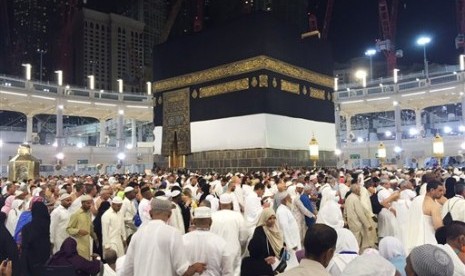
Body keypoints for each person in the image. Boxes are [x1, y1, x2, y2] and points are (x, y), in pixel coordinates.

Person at [120, 198, 206, 276]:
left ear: (150, 213)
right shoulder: (172, 233)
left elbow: (126, 271)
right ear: (169, 215)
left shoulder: (137, 235)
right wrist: (195, 267)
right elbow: (184, 271)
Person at [183, 206, 233, 276]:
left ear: (193, 221)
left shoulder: (183, 239)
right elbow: (228, 271)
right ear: (211, 222)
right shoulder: (220, 242)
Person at [211, 193, 247, 276]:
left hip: (216, 252)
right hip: (232, 251)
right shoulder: (238, 216)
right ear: (231, 204)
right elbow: (244, 237)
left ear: (219, 204)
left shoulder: (213, 216)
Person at [241, 208, 283, 276]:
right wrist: (264, 259)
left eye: (274, 218)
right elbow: (254, 251)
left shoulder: (276, 228)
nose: (272, 221)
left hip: (279, 263)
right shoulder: (260, 231)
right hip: (266, 266)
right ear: (264, 219)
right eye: (269, 218)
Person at [406, 179, 444, 253]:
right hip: (428, 241)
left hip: (412, 239)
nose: (442, 193)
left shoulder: (416, 199)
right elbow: (439, 228)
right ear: (432, 190)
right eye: (440, 190)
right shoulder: (434, 206)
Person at [20, 202, 51, 275]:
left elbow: (25, 247)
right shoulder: (47, 225)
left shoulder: (27, 228)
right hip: (45, 258)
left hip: (31, 261)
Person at [344, 184, 375, 250]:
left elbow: (345, 212)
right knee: (357, 243)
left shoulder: (348, 197)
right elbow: (360, 214)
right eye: (359, 189)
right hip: (357, 223)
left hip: (351, 223)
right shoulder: (355, 199)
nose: (360, 190)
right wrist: (368, 225)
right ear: (356, 190)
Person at [67, 195, 99, 260]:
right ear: (82, 203)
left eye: (91, 203)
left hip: (88, 243)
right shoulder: (76, 214)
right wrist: (78, 231)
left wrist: (95, 238)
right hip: (79, 244)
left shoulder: (89, 213)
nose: (90, 205)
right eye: (88, 203)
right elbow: (68, 229)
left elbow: (90, 228)